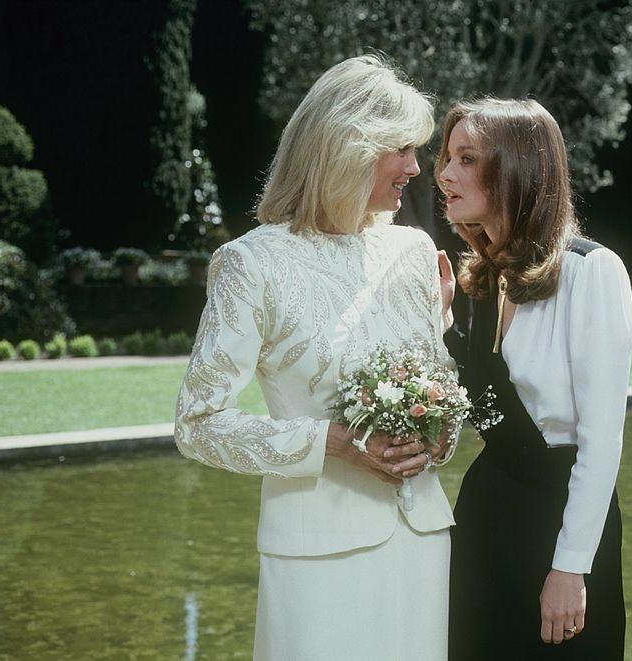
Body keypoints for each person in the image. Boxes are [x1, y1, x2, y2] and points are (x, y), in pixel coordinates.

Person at [173, 56, 456, 660]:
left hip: (421, 537)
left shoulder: (414, 251)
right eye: (401, 149)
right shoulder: (253, 264)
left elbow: (444, 397)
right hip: (315, 550)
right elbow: (199, 425)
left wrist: (434, 436)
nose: (415, 167)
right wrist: (333, 440)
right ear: (348, 144)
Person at [435, 98, 632, 659]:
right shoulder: (481, 277)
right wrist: (446, 324)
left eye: (467, 159)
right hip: (486, 513)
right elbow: (486, 402)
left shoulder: (590, 272)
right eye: (447, 158)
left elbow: (602, 441)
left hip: (560, 520)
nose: (445, 175)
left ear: (519, 168)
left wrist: (570, 567)